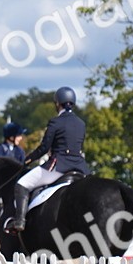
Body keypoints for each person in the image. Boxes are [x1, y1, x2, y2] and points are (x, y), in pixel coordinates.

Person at [8, 87, 91, 233]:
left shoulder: (55, 122)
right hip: (80, 168)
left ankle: (19, 221)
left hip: (59, 167)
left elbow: (44, 148)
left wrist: (28, 160)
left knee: (22, 184)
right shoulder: (81, 123)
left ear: (57, 103)